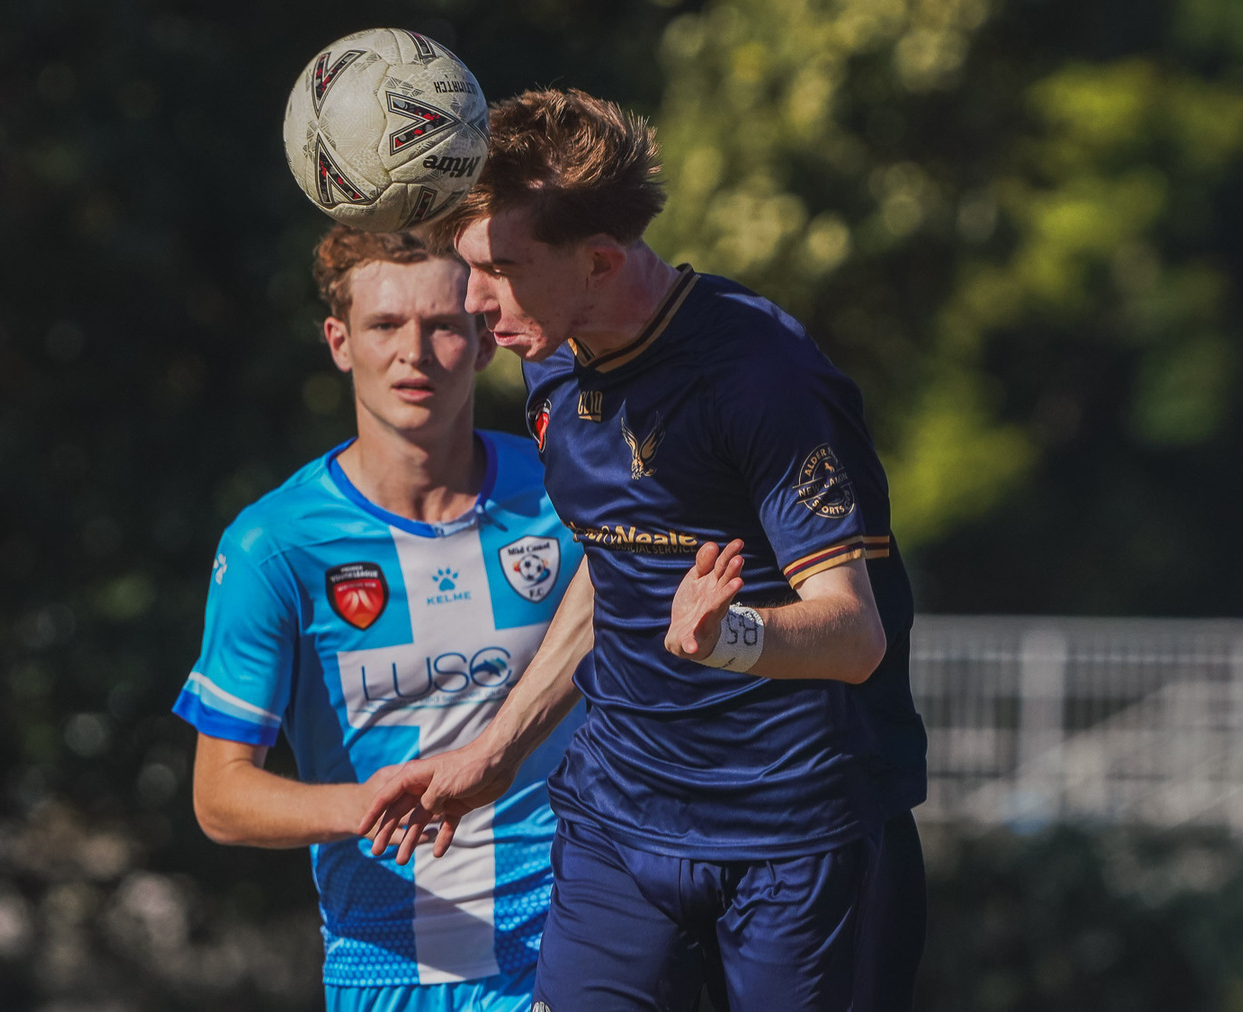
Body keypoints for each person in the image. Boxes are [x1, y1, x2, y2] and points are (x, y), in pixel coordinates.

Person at [359, 89, 928, 1012]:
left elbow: (852, 634)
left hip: (795, 836)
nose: (474, 301)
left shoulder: (763, 379)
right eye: (471, 264)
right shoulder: (547, 352)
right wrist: (497, 749)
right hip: (617, 822)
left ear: (598, 260)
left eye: (501, 268)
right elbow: (614, 557)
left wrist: (730, 636)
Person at [173, 224, 589, 1012]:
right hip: (385, 968)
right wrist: (368, 802)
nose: (414, 352)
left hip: (567, 954)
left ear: (484, 339)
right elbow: (219, 796)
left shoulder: (567, 495)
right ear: (339, 341)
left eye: (441, 326)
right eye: (384, 325)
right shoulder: (275, 546)